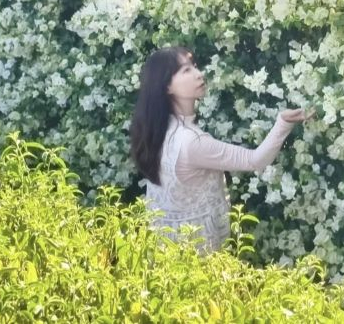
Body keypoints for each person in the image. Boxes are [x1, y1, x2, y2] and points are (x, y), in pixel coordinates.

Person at [129, 46, 314, 253]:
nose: (199, 74)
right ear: (167, 86)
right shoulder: (192, 142)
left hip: (162, 245)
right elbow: (255, 160)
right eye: (186, 70)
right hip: (196, 249)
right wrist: (283, 123)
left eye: (194, 66)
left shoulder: (158, 129)